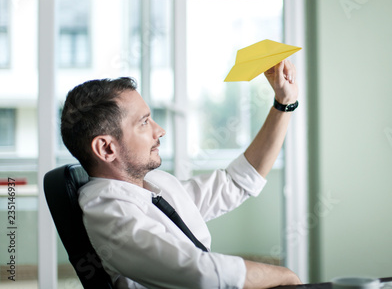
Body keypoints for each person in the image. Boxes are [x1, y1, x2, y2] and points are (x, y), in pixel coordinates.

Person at [60, 59, 301, 289]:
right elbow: (202, 274)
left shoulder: (151, 185)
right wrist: (285, 275)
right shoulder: (111, 211)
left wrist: (283, 103)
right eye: (144, 123)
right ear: (106, 148)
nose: (160, 131)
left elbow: (235, 183)